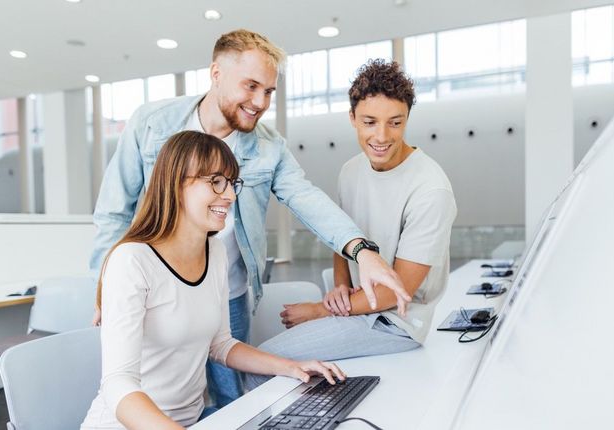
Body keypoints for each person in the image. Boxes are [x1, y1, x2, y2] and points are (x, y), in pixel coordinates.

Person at [90, 29, 410, 409]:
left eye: (270, 92)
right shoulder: (152, 124)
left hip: (226, 287)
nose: (260, 102)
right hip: (155, 291)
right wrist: (105, 284)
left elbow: (305, 198)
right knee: (150, 390)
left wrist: (362, 251)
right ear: (216, 73)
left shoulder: (268, 145)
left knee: (229, 398)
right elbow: (114, 210)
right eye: (252, 86)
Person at [81, 131, 345, 430]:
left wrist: (291, 368)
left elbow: (220, 344)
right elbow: (118, 384)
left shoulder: (215, 251)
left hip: (192, 421)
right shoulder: (132, 260)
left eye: (232, 183)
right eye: (216, 182)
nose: (231, 195)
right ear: (176, 184)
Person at [246, 59, 457, 388]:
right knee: (261, 357)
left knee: (263, 360)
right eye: (370, 122)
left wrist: (320, 310)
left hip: (396, 322)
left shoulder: (431, 189)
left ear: (407, 120)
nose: (382, 136)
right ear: (352, 118)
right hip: (362, 308)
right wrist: (340, 286)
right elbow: (342, 237)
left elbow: (396, 294)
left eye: (395, 123)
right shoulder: (351, 170)